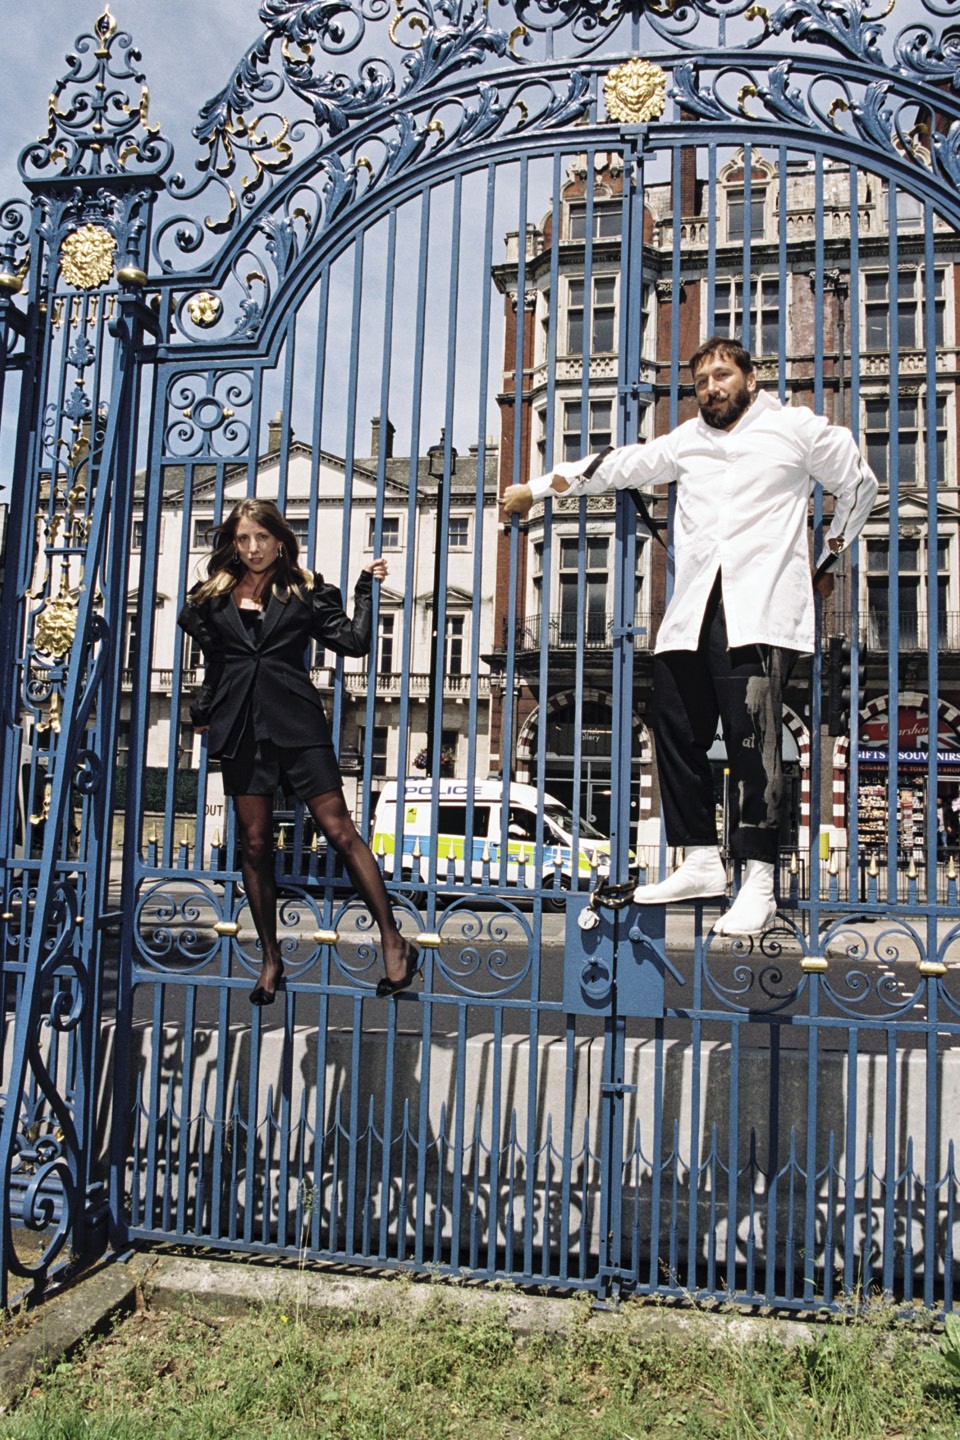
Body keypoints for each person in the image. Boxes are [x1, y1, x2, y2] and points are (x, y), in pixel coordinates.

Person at [502, 337, 878, 936]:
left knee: (753, 741)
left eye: (722, 375)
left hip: (759, 608)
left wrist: (829, 559)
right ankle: (701, 858)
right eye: (701, 381)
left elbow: (860, 483)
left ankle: (759, 882)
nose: (711, 388)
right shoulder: (687, 441)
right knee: (672, 724)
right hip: (693, 609)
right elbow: (615, 465)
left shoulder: (796, 429)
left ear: (750, 378)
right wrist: (539, 488)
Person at [178, 498, 420, 1002]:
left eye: (262, 537)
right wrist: (201, 709)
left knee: (340, 832)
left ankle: (393, 939)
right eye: (243, 539)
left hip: (297, 723)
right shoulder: (212, 597)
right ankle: (271, 958)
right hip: (241, 728)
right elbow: (216, 663)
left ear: (280, 541)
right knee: (255, 844)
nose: (253, 548)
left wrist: (365, 589)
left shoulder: (304, 590)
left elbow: (354, 642)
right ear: (234, 544)